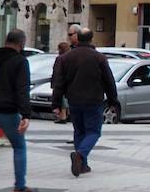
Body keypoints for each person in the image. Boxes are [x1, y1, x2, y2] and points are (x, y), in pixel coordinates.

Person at [50, 28, 118, 177]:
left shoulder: (66, 58)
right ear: (91, 39)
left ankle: (82, 165)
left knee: (79, 131)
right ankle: (80, 155)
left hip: (73, 100)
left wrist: (56, 104)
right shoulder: (99, 58)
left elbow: (59, 83)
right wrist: (113, 100)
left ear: (77, 38)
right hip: (94, 100)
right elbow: (109, 81)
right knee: (93, 132)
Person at [0, 30, 39, 192]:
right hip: (7, 112)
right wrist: (26, 114)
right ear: (22, 44)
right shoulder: (19, 62)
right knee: (19, 147)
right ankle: (20, 189)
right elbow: (22, 89)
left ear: (5, 41)